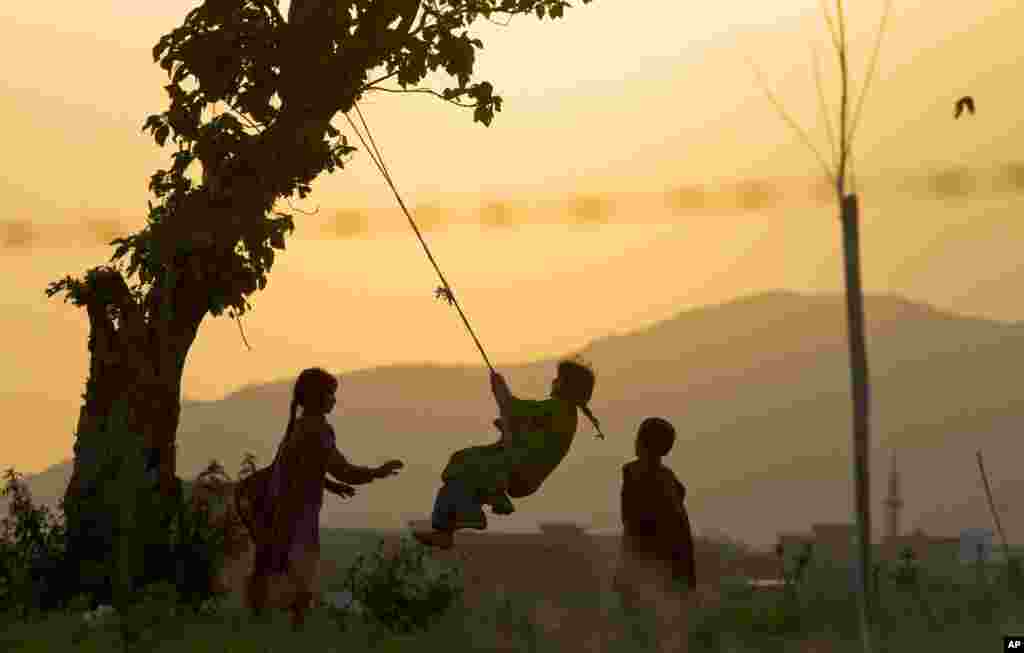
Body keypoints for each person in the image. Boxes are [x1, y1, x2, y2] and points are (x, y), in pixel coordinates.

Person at [234, 367, 404, 631]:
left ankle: (260, 629)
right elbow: (344, 470)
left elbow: (299, 468)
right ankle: (294, 632)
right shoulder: (318, 430)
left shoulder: (299, 427)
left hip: (278, 510)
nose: (334, 400)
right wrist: (378, 472)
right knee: (300, 577)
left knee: (268, 570)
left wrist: (330, 487)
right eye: (331, 394)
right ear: (318, 397)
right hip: (296, 515)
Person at [412, 357, 601, 550]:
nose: (553, 381)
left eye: (558, 379)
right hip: (518, 471)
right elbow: (531, 434)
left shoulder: (558, 408)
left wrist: (499, 388)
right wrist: (509, 427)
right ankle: (450, 527)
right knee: (462, 464)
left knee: (465, 463)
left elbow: (513, 408)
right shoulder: (564, 415)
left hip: (515, 470)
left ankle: (475, 509)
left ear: (567, 387)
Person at [613, 417, 697, 653]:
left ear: (640, 441)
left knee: (640, 636)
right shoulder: (669, 481)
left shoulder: (636, 475)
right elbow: (681, 533)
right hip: (670, 573)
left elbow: (631, 522)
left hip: (646, 571)